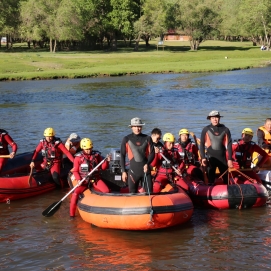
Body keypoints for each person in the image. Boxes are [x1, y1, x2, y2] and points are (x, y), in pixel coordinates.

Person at [70, 138, 110, 218]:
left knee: (106, 191)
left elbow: (103, 167)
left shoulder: (96, 155)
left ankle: (105, 211)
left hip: (95, 178)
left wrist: (107, 161)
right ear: (82, 148)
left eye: (90, 148)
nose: (88, 150)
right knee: (75, 194)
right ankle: (72, 215)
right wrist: (78, 180)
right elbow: (75, 171)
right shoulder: (78, 158)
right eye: (86, 149)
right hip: (83, 180)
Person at [120, 117, 154, 193]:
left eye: (139, 126)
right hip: (133, 172)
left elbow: (152, 154)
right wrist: (123, 171)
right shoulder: (126, 139)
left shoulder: (147, 138)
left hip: (146, 171)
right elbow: (122, 155)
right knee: (132, 194)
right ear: (131, 127)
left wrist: (147, 164)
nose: (137, 128)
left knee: (150, 193)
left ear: (141, 127)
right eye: (135, 126)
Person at [200, 110, 233, 184]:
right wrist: (203, 158)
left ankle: (227, 191)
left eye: (217, 117)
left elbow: (229, 145)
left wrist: (230, 159)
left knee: (226, 180)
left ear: (219, 118)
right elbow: (201, 144)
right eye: (213, 118)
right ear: (210, 119)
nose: (215, 119)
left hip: (222, 158)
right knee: (210, 180)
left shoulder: (225, 130)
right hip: (211, 158)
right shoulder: (206, 129)